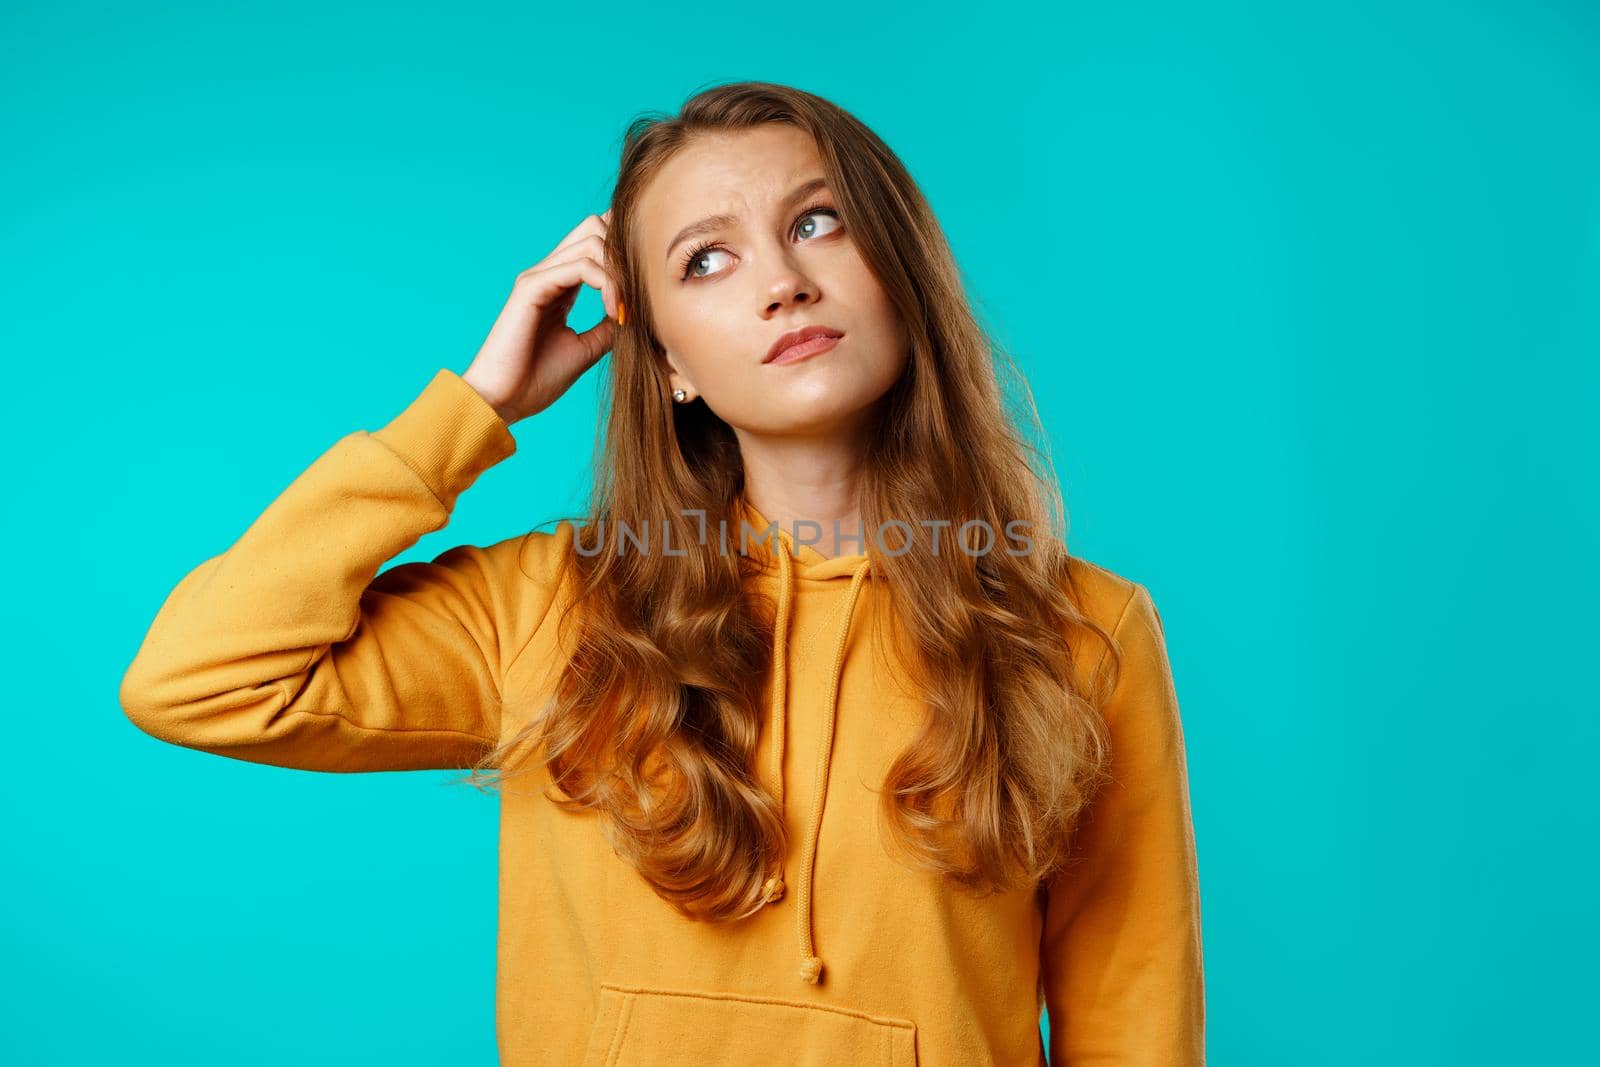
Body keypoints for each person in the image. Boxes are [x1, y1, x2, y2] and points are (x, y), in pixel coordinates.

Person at [119, 80, 1205, 1066]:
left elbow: (1134, 1020)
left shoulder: (1085, 630)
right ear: (669, 360)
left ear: (902, 273)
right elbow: (195, 677)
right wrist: (471, 410)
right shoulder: (546, 603)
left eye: (816, 223)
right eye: (706, 259)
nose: (782, 281)